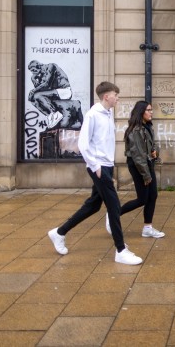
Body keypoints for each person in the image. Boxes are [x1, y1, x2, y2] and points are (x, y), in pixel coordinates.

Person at [48, 81, 143, 265]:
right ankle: (120, 250)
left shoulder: (107, 114)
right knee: (114, 206)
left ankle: (59, 232)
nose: (118, 98)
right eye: (116, 95)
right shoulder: (93, 115)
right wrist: (96, 166)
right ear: (106, 96)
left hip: (106, 165)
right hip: (98, 167)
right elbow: (83, 144)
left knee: (93, 205)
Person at [104, 101, 165, 238]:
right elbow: (137, 156)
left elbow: (152, 146)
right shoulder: (136, 130)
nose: (151, 112)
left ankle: (148, 228)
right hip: (139, 166)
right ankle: (113, 213)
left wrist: (156, 151)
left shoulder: (147, 126)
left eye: (151, 110)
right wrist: (146, 175)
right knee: (142, 199)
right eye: (148, 110)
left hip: (147, 163)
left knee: (153, 196)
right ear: (141, 112)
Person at [28, 60, 77, 129]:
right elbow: (40, 89)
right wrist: (34, 80)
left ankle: (55, 113)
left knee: (37, 95)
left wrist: (33, 91)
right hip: (54, 92)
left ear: (38, 66)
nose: (33, 72)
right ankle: (49, 115)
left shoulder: (51, 66)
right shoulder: (41, 75)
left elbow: (47, 84)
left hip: (64, 91)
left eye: (33, 70)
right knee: (33, 99)